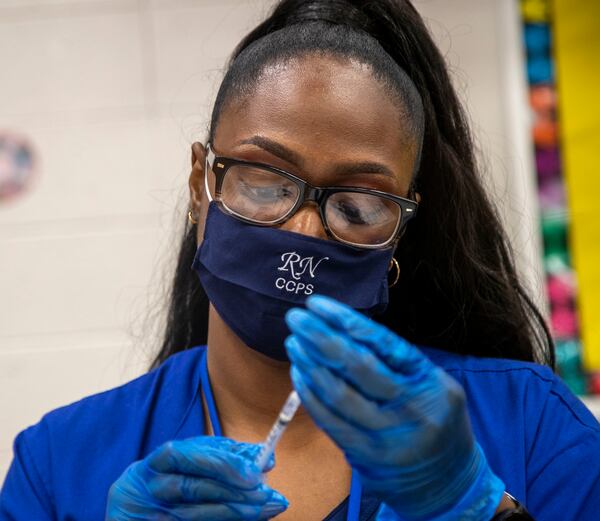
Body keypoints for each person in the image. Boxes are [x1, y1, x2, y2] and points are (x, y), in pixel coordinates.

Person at [1, 0, 599, 519]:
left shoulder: (530, 424)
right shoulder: (59, 464)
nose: (304, 230)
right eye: (265, 183)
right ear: (199, 186)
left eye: (359, 206)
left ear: (400, 233)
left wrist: (476, 510)